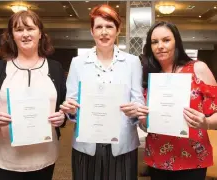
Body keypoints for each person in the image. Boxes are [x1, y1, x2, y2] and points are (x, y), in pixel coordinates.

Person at [60, 4, 145, 180]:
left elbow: (138, 101)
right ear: (92, 31)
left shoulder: (132, 62)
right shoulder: (78, 63)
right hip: (86, 144)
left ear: (118, 30)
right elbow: (71, 102)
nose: (104, 32)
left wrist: (135, 111)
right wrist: (71, 110)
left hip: (122, 144)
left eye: (109, 26)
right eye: (99, 27)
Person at [0, 10, 66, 180]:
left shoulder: (55, 68)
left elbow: (63, 107)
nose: (25, 34)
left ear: (40, 34)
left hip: (45, 157)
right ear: (12, 36)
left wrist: (62, 117)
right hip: (6, 158)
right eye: (18, 30)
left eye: (30, 28)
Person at [137, 21, 217, 180]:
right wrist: (142, 120)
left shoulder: (197, 69)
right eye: (154, 42)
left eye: (166, 40)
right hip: (158, 156)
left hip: (192, 157)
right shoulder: (150, 76)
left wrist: (206, 123)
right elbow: (145, 124)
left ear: (177, 42)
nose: (160, 46)